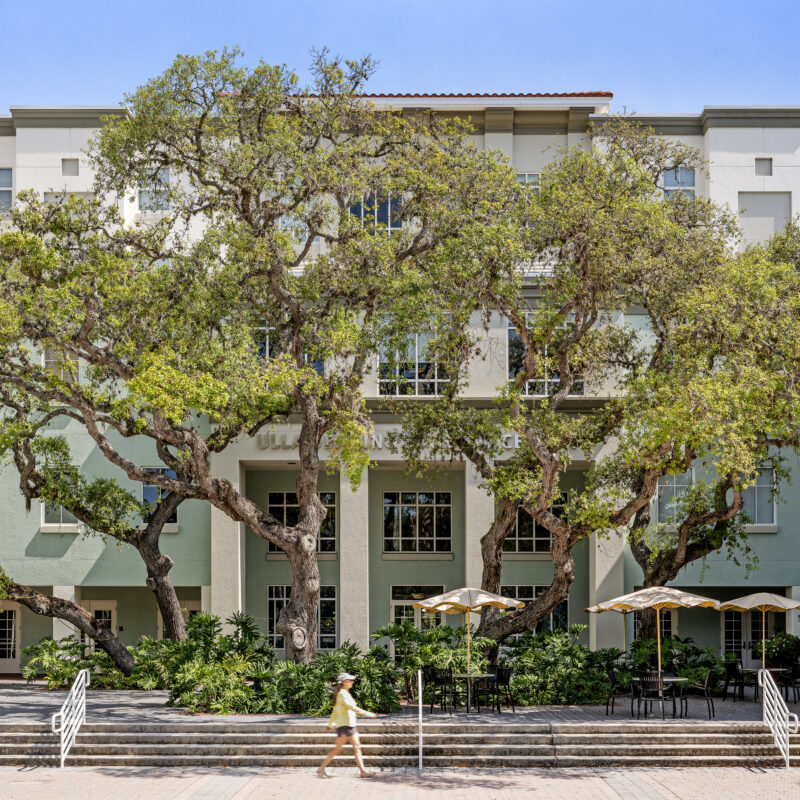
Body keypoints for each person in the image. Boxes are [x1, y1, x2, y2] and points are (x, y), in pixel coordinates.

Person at [317, 672, 378, 778]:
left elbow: (335, 711)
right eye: (349, 680)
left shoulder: (344, 693)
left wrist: (330, 724)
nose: (352, 682)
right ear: (344, 682)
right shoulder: (342, 695)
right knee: (338, 749)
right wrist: (369, 714)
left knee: (357, 748)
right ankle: (321, 769)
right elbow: (352, 708)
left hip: (350, 725)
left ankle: (363, 772)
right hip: (344, 726)